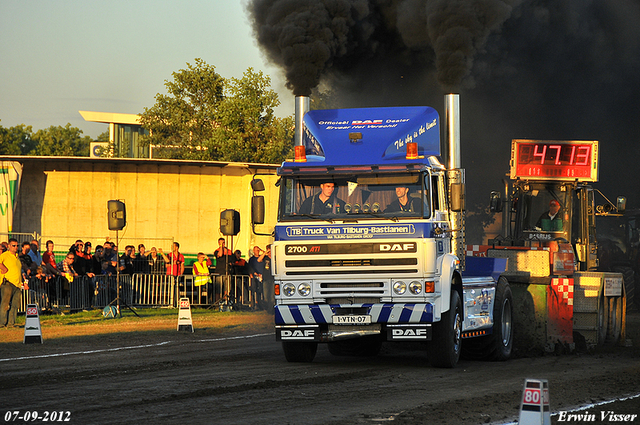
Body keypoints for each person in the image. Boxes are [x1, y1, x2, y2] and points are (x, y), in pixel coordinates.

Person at [0, 238, 24, 328]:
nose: (15, 247)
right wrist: (3, 268)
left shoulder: (17, 257)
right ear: (9, 246)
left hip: (17, 285)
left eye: (17, 245)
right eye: (13, 245)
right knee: (5, 304)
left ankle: (11, 323)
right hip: (8, 283)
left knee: (15, 305)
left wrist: (22, 282)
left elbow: (19, 271)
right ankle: (2, 323)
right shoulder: (5, 255)